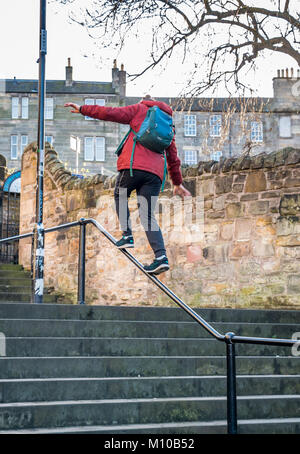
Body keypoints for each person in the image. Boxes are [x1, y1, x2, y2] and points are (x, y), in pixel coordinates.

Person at [64, 96, 191, 275]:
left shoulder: (139, 109)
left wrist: (83, 109)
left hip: (133, 167)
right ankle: (161, 257)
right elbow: (173, 156)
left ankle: (127, 235)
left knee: (120, 194)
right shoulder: (168, 123)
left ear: (143, 101)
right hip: (155, 175)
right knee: (147, 215)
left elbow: (111, 113)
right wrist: (177, 182)